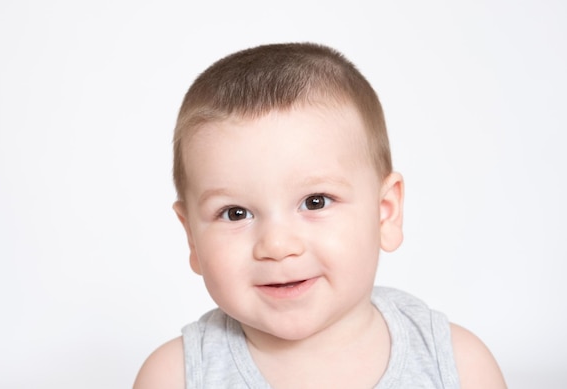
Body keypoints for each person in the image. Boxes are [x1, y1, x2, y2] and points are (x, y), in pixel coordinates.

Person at [133, 42, 506, 388]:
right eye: (235, 213)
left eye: (315, 202)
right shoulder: (175, 377)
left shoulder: (457, 366)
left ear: (384, 213)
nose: (277, 245)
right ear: (191, 238)